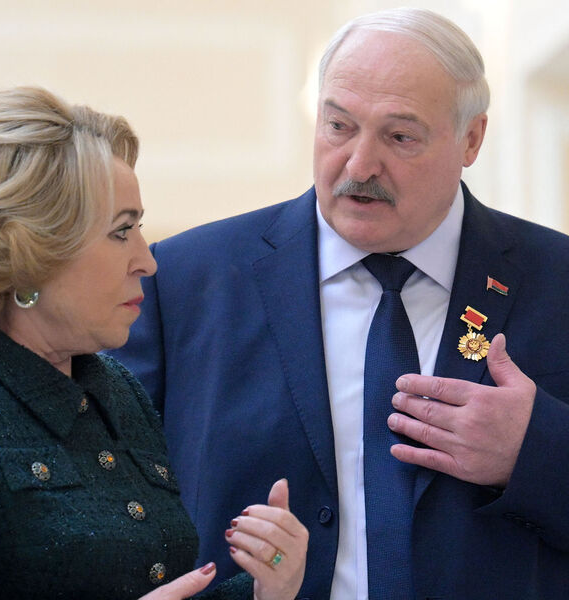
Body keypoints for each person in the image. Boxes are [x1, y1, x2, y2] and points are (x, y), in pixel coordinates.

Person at [110, 7, 569, 599]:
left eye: (400, 137)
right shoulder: (183, 281)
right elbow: (107, 501)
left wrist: (534, 452)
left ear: (472, 139)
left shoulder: (555, 281)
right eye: (339, 126)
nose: (359, 164)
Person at [0, 86, 309, 600]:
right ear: (31, 250)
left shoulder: (116, 390)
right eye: (121, 231)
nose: (147, 262)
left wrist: (267, 590)